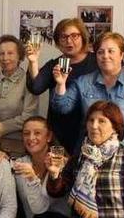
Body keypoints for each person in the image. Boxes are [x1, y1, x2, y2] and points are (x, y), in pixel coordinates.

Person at [51, 32, 124, 157]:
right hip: (88, 158)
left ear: (121, 54)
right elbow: (62, 108)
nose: (105, 56)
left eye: (111, 51)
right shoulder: (83, 82)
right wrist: (61, 84)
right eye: (100, 52)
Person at [27, 18, 98, 155]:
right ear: (58, 41)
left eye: (74, 36)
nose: (69, 41)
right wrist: (33, 62)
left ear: (83, 37)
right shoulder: (57, 63)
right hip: (60, 132)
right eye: (64, 37)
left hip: (90, 130)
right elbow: (36, 88)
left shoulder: (96, 61)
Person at [0, 35, 39, 157]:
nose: (5, 58)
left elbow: (29, 116)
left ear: (19, 56)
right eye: (1, 53)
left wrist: (0, 128)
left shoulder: (29, 81)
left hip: (19, 147)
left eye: (10, 53)